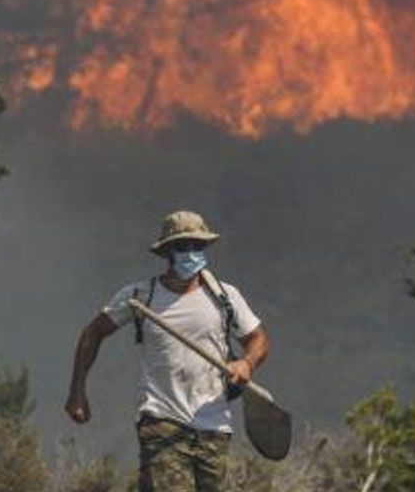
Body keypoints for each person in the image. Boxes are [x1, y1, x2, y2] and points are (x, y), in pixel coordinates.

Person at [65, 210, 270, 492]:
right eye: (182, 246)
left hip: (213, 425)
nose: (190, 253)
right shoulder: (140, 297)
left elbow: (258, 339)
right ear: (168, 253)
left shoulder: (225, 297)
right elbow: (93, 333)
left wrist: (247, 363)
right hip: (162, 421)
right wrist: (77, 391)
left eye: (196, 246)